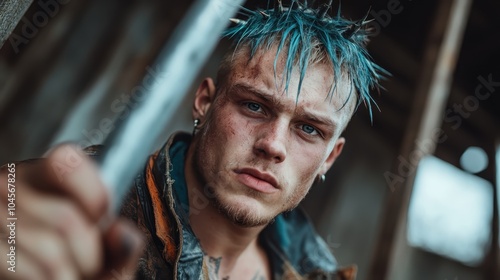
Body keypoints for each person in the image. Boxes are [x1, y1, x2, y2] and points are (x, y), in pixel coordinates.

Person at [0, 1, 384, 279]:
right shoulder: (79, 207)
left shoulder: (316, 271)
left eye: (309, 129)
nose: (273, 144)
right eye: (254, 106)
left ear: (329, 158)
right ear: (204, 102)